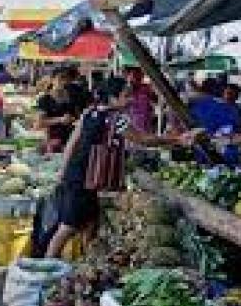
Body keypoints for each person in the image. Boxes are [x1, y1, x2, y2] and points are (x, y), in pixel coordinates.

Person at [45, 84, 187, 258]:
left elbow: (71, 144)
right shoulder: (116, 119)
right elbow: (145, 140)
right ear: (113, 98)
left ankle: (86, 261)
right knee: (67, 227)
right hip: (85, 178)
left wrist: (63, 172)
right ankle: (47, 267)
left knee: (91, 222)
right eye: (125, 95)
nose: (130, 99)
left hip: (78, 173)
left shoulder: (89, 113)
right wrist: (177, 140)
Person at [35, 68, 78, 153]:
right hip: (53, 140)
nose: (63, 81)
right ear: (52, 80)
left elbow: (76, 117)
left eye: (65, 78)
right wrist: (60, 120)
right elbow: (39, 123)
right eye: (60, 78)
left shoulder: (71, 98)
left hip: (70, 140)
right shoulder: (45, 99)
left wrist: (72, 119)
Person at [123, 66, 156, 134]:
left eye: (138, 76)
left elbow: (155, 99)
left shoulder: (146, 87)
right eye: (133, 76)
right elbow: (123, 102)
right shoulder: (128, 90)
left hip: (146, 119)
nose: (136, 79)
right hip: (135, 121)